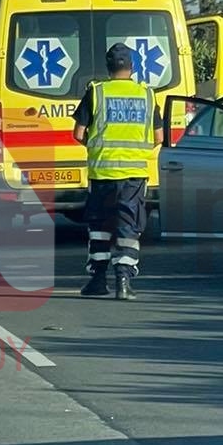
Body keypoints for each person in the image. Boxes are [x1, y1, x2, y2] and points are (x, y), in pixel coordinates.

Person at [72, 41, 158, 299]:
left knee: (99, 227)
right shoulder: (146, 94)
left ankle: (98, 280)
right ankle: (124, 281)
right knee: (128, 227)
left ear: (108, 68)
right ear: (132, 67)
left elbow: (77, 133)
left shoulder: (96, 92)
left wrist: (99, 148)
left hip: (101, 174)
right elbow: (159, 135)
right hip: (133, 175)